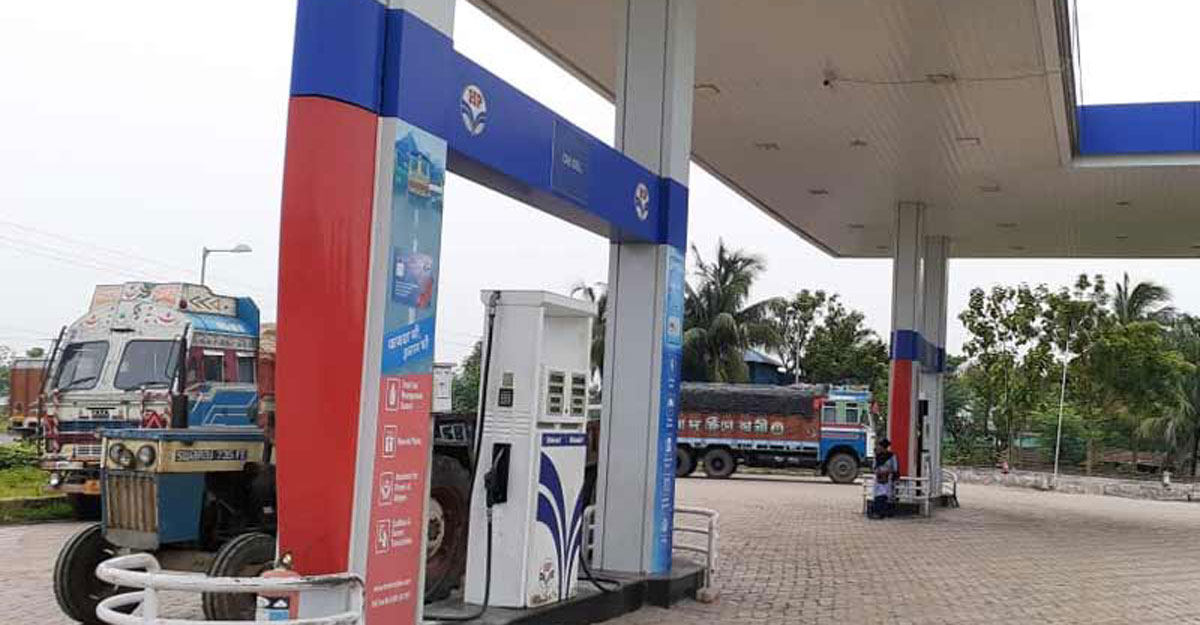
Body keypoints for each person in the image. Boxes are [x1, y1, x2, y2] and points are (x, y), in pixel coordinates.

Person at [869, 438, 899, 519]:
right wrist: (878, 472)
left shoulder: (892, 456)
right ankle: (877, 511)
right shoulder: (877, 456)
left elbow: (895, 468)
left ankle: (881, 512)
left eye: (880, 446)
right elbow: (874, 467)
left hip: (888, 478)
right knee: (878, 494)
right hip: (878, 478)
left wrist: (888, 472)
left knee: (885, 494)